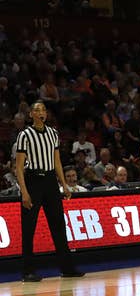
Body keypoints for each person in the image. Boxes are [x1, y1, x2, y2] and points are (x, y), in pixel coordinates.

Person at [15, 101, 84, 282]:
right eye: (37, 110)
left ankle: (67, 268)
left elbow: (57, 162)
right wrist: (24, 192)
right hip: (32, 181)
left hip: (50, 181)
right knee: (29, 228)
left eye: (43, 110)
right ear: (31, 114)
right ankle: (27, 271)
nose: (41, 113)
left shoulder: (53, 133)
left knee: (59, 226)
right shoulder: (25, 135)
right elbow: (19, 167)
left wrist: (64, 184)